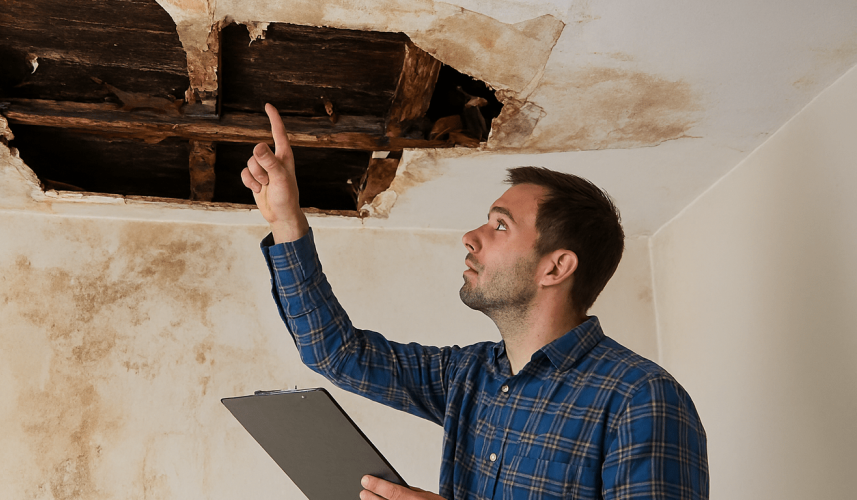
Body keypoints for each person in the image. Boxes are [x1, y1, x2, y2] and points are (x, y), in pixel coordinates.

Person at [242, 104, 709, 500]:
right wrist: (287, 222)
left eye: (500, 225)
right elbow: (337, 353)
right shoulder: (468, 376)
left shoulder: (641, 397)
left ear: (556, 267)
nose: (470, 237)